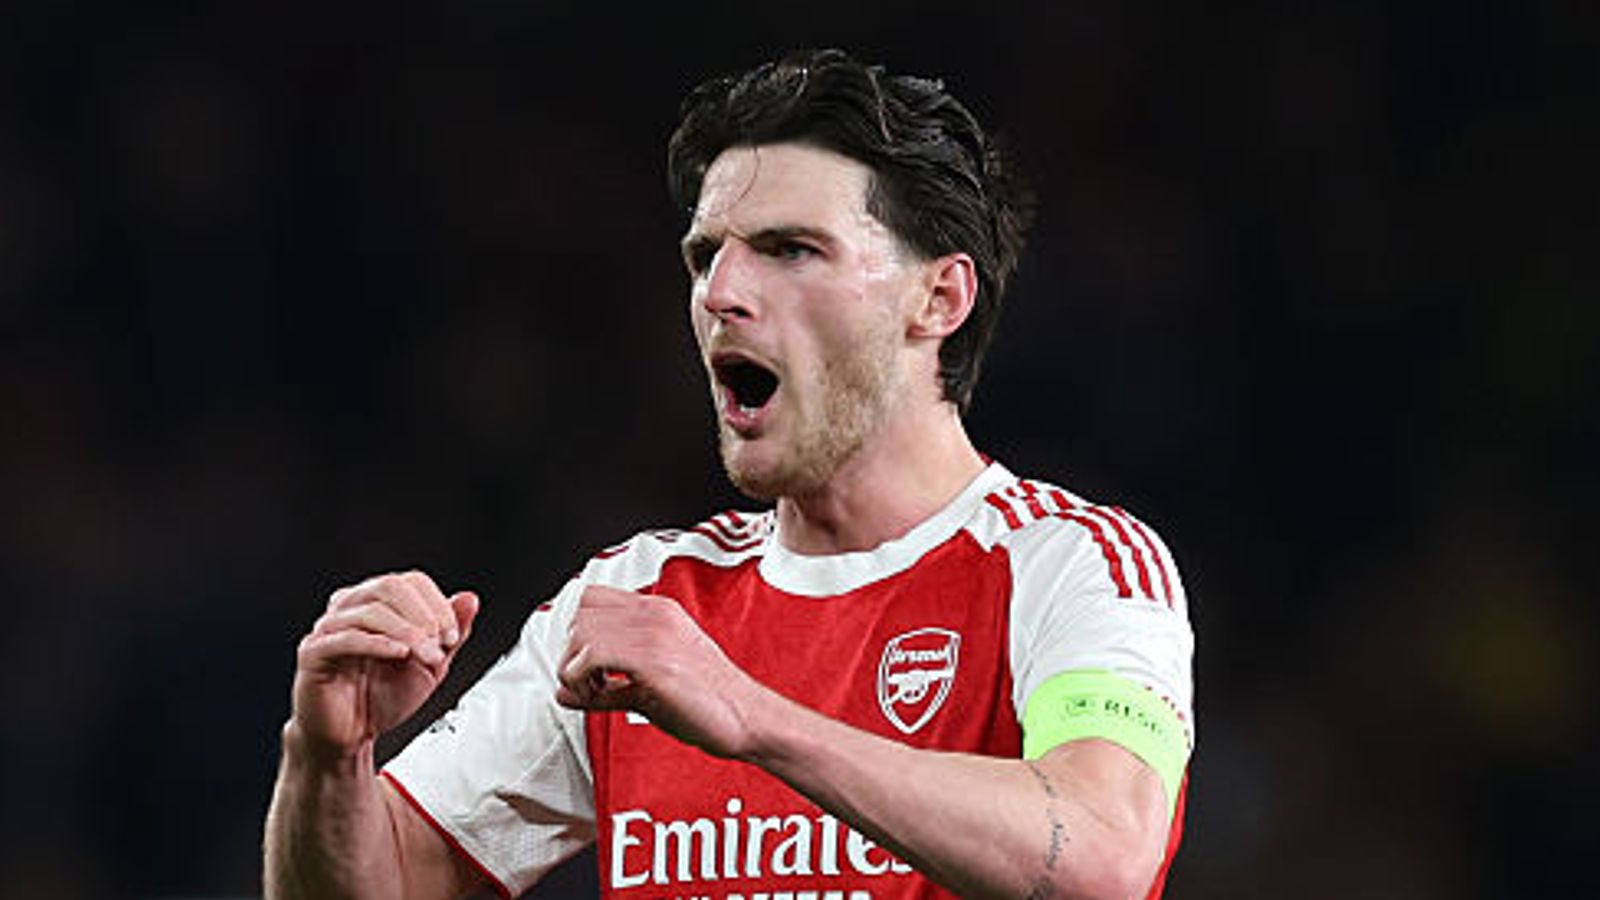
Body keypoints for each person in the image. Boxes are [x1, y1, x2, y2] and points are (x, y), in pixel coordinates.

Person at [264, 48, 1195, 900]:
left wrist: (751, 715)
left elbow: (1103, 858)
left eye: (791, 249)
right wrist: (328, 754)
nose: (720, 293)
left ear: (937, 298)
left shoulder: (1070, 564)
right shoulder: (639, 599)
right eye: (706, 256)